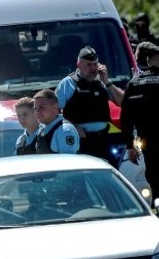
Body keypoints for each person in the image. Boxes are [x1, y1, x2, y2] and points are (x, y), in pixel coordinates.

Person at [55, 46, 123, 165]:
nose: (93, 69)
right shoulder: (68, 83)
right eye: (89, 65)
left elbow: (121, 102)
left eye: (95, 64)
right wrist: (71, 126)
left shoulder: (101, 82)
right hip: (80, 140)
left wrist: (107, 82)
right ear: (79, 64)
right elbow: (54, 112)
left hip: (102, 139)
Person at [120, 43, 159, 198]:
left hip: (148, 143)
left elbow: (125, 118)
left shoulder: (134, 83)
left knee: (154, 178)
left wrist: (130, 146)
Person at [32, 89, 79, 154]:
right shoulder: (42, 129)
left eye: (42, 107)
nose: (37, 111)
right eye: (35, 108)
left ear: (55, 107)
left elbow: (68, 161)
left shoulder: (65, 130)